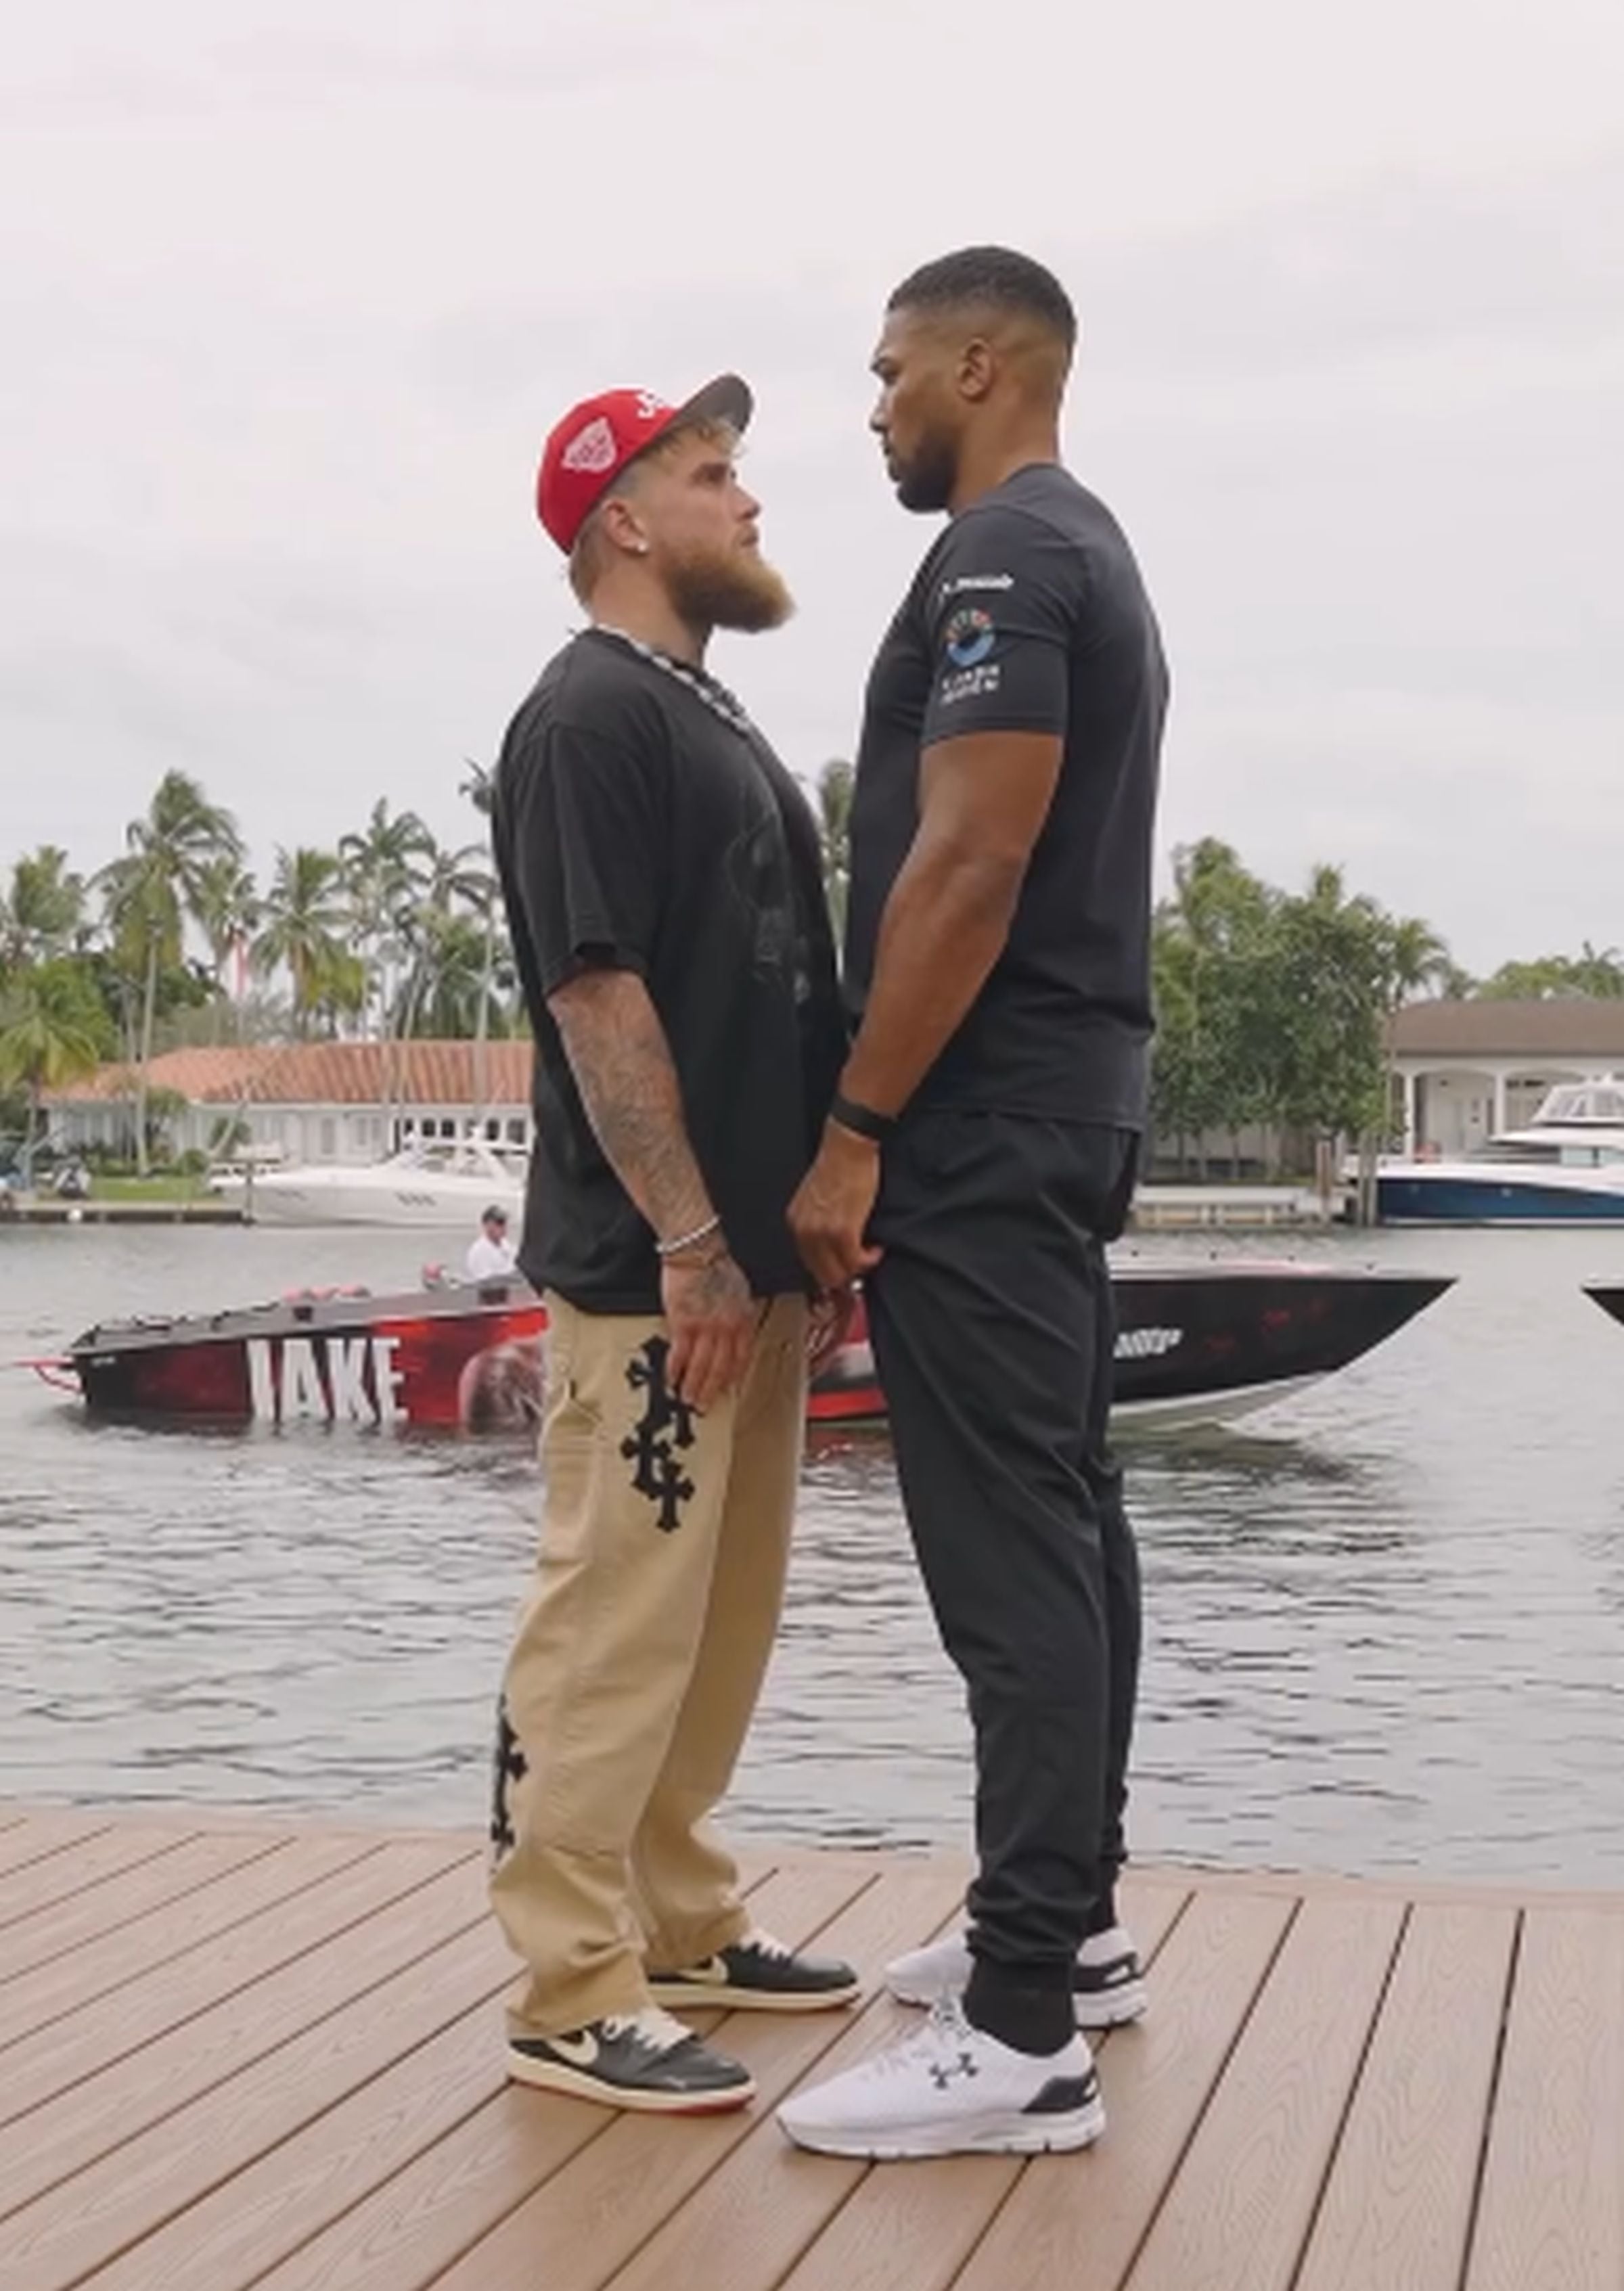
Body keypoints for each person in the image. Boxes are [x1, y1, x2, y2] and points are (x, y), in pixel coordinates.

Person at [780, 248, 1167, 2160]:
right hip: (1056, 1108)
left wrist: (858, 1124)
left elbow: (971, 855)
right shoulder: (1071, 552)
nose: (872, 408)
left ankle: (1021, 2029)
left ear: (982, 364)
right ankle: (1072, 1931)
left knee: (1010, 1559)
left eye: (889, 372)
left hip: (983, 1121)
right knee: (1070, 1511)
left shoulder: (1012, 561)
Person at [487, 373, 857, 2116]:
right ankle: (571, 1979)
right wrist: (693, 1239)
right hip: (659, 1272)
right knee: (615, 1614)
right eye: (712, 476)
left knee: (720, 1615)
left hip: (757, 1265)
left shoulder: (707, 718)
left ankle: (677, 1913)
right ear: (621, 521)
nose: (748, 498)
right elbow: (593, 989)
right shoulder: (587, 720)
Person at [464, 1203, 518, 1281]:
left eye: (505, 1222)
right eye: (500, 1222)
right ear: (486, 1225)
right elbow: (486, 1281)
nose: (504, 1226)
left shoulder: (507, 1245)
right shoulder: (478, 1251)